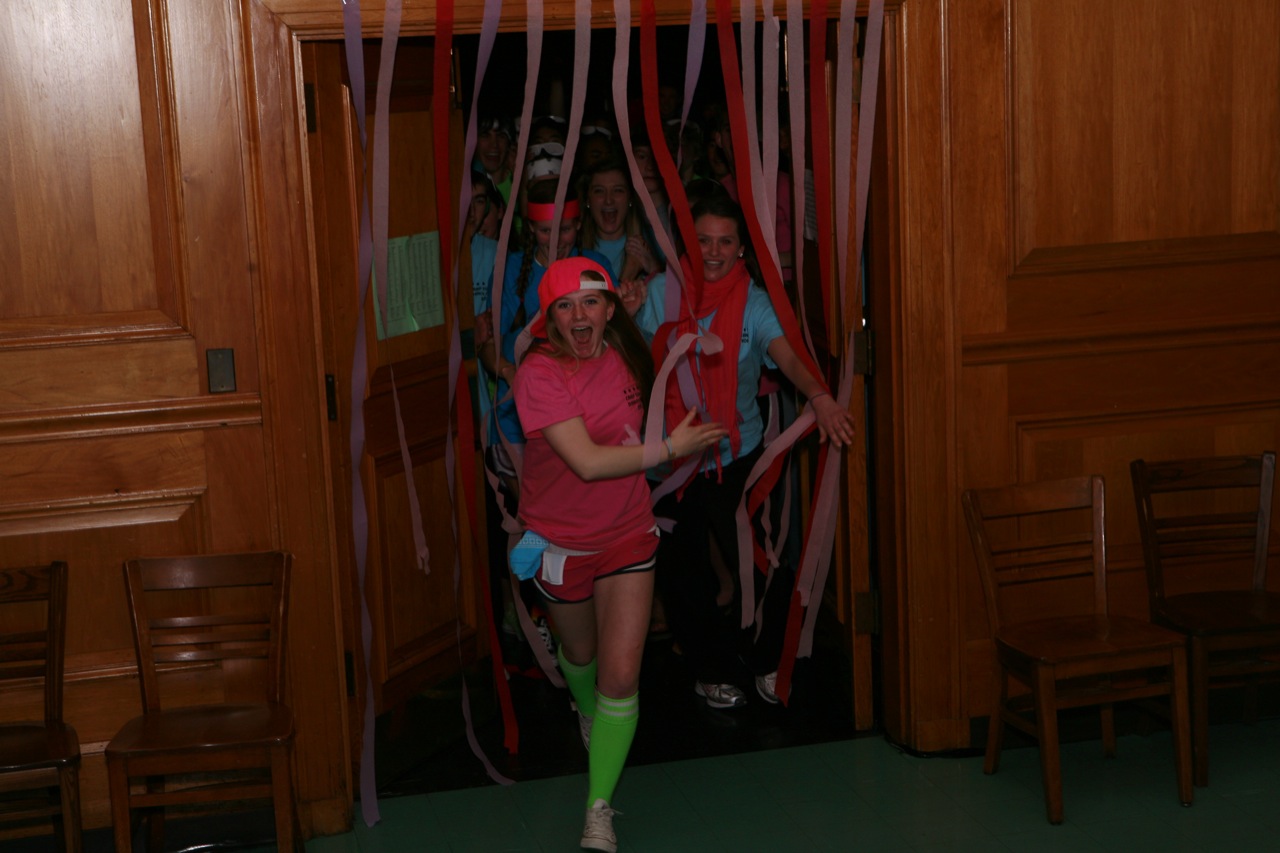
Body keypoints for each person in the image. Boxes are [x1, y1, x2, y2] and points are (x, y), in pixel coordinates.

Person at [512, 256, 726, 852]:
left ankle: (598, 809)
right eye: (565, 306)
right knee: (580, 655)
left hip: (628, 533)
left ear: (609, 308)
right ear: (550, 318)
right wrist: (669, 449)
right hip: (560, 541)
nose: (579, 316)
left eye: (591, 302)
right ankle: (588, 710)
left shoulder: (627, 351)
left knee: (623, 673)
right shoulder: (537, 374)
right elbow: (585, 462)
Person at [634, 190, 855, 708]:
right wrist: (625, 314)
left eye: (724, 241)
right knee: (683, 571)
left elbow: (789, 356)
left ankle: (765, 659)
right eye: (703, 241)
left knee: (760, 562)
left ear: (740, 249)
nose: (713, 252)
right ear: (687, 243)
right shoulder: (660, 293)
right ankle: (710, 669)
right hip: (670, 460)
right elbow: (632, 361)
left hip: (736, 457)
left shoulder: (754, 303)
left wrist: (819, 396)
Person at [480, 179, 614, 456]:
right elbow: (488, 344)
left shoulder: (596, 266)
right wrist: (510, 372)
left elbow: (614, 338)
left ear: (579, 224)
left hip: (587, 413)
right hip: (519, 419)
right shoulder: (510, 270)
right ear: (530, 228)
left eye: (564, 230)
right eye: (545, 231)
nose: (555, 241)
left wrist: (627, 311)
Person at [577, 158, 661, 306]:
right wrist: (628, 273)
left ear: (630, 198)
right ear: (588, 200)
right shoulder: (573, 249)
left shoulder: (651, 242)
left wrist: (654, 268)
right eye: (599, 191)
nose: (608, 200)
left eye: (618, 190)